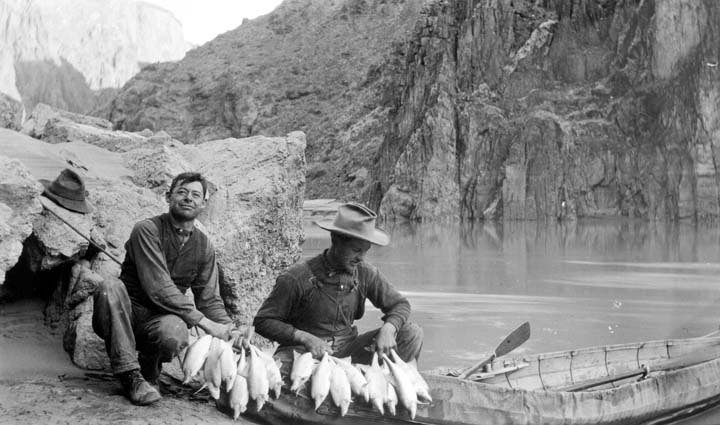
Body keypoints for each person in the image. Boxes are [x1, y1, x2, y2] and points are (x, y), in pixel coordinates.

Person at [92, 172, 240, 406]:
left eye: (195, 195)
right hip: (125, 314)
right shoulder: (146, 230)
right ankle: (130, 375)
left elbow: (210, 299)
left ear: (204, 204)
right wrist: (207, 324)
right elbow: (158, 287)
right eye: (181, 192)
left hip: (160, 319)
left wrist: (231, 330)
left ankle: (150, 369)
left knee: (174, 330)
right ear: (168, 196)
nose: (188, 198)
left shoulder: (204, 246)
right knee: (110, 287)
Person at [253, 202, 423, 371]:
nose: (361, 258)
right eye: (356, 250)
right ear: (336, 241)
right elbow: (263, 321)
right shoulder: (296, 277)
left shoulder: (366, 273)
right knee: (276, 374)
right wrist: (305, 338)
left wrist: (389, 328)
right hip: (304, 352)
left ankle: (384, 386)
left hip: (348, 350)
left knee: (411, 334)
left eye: (365, 251)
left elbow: (400, 305)